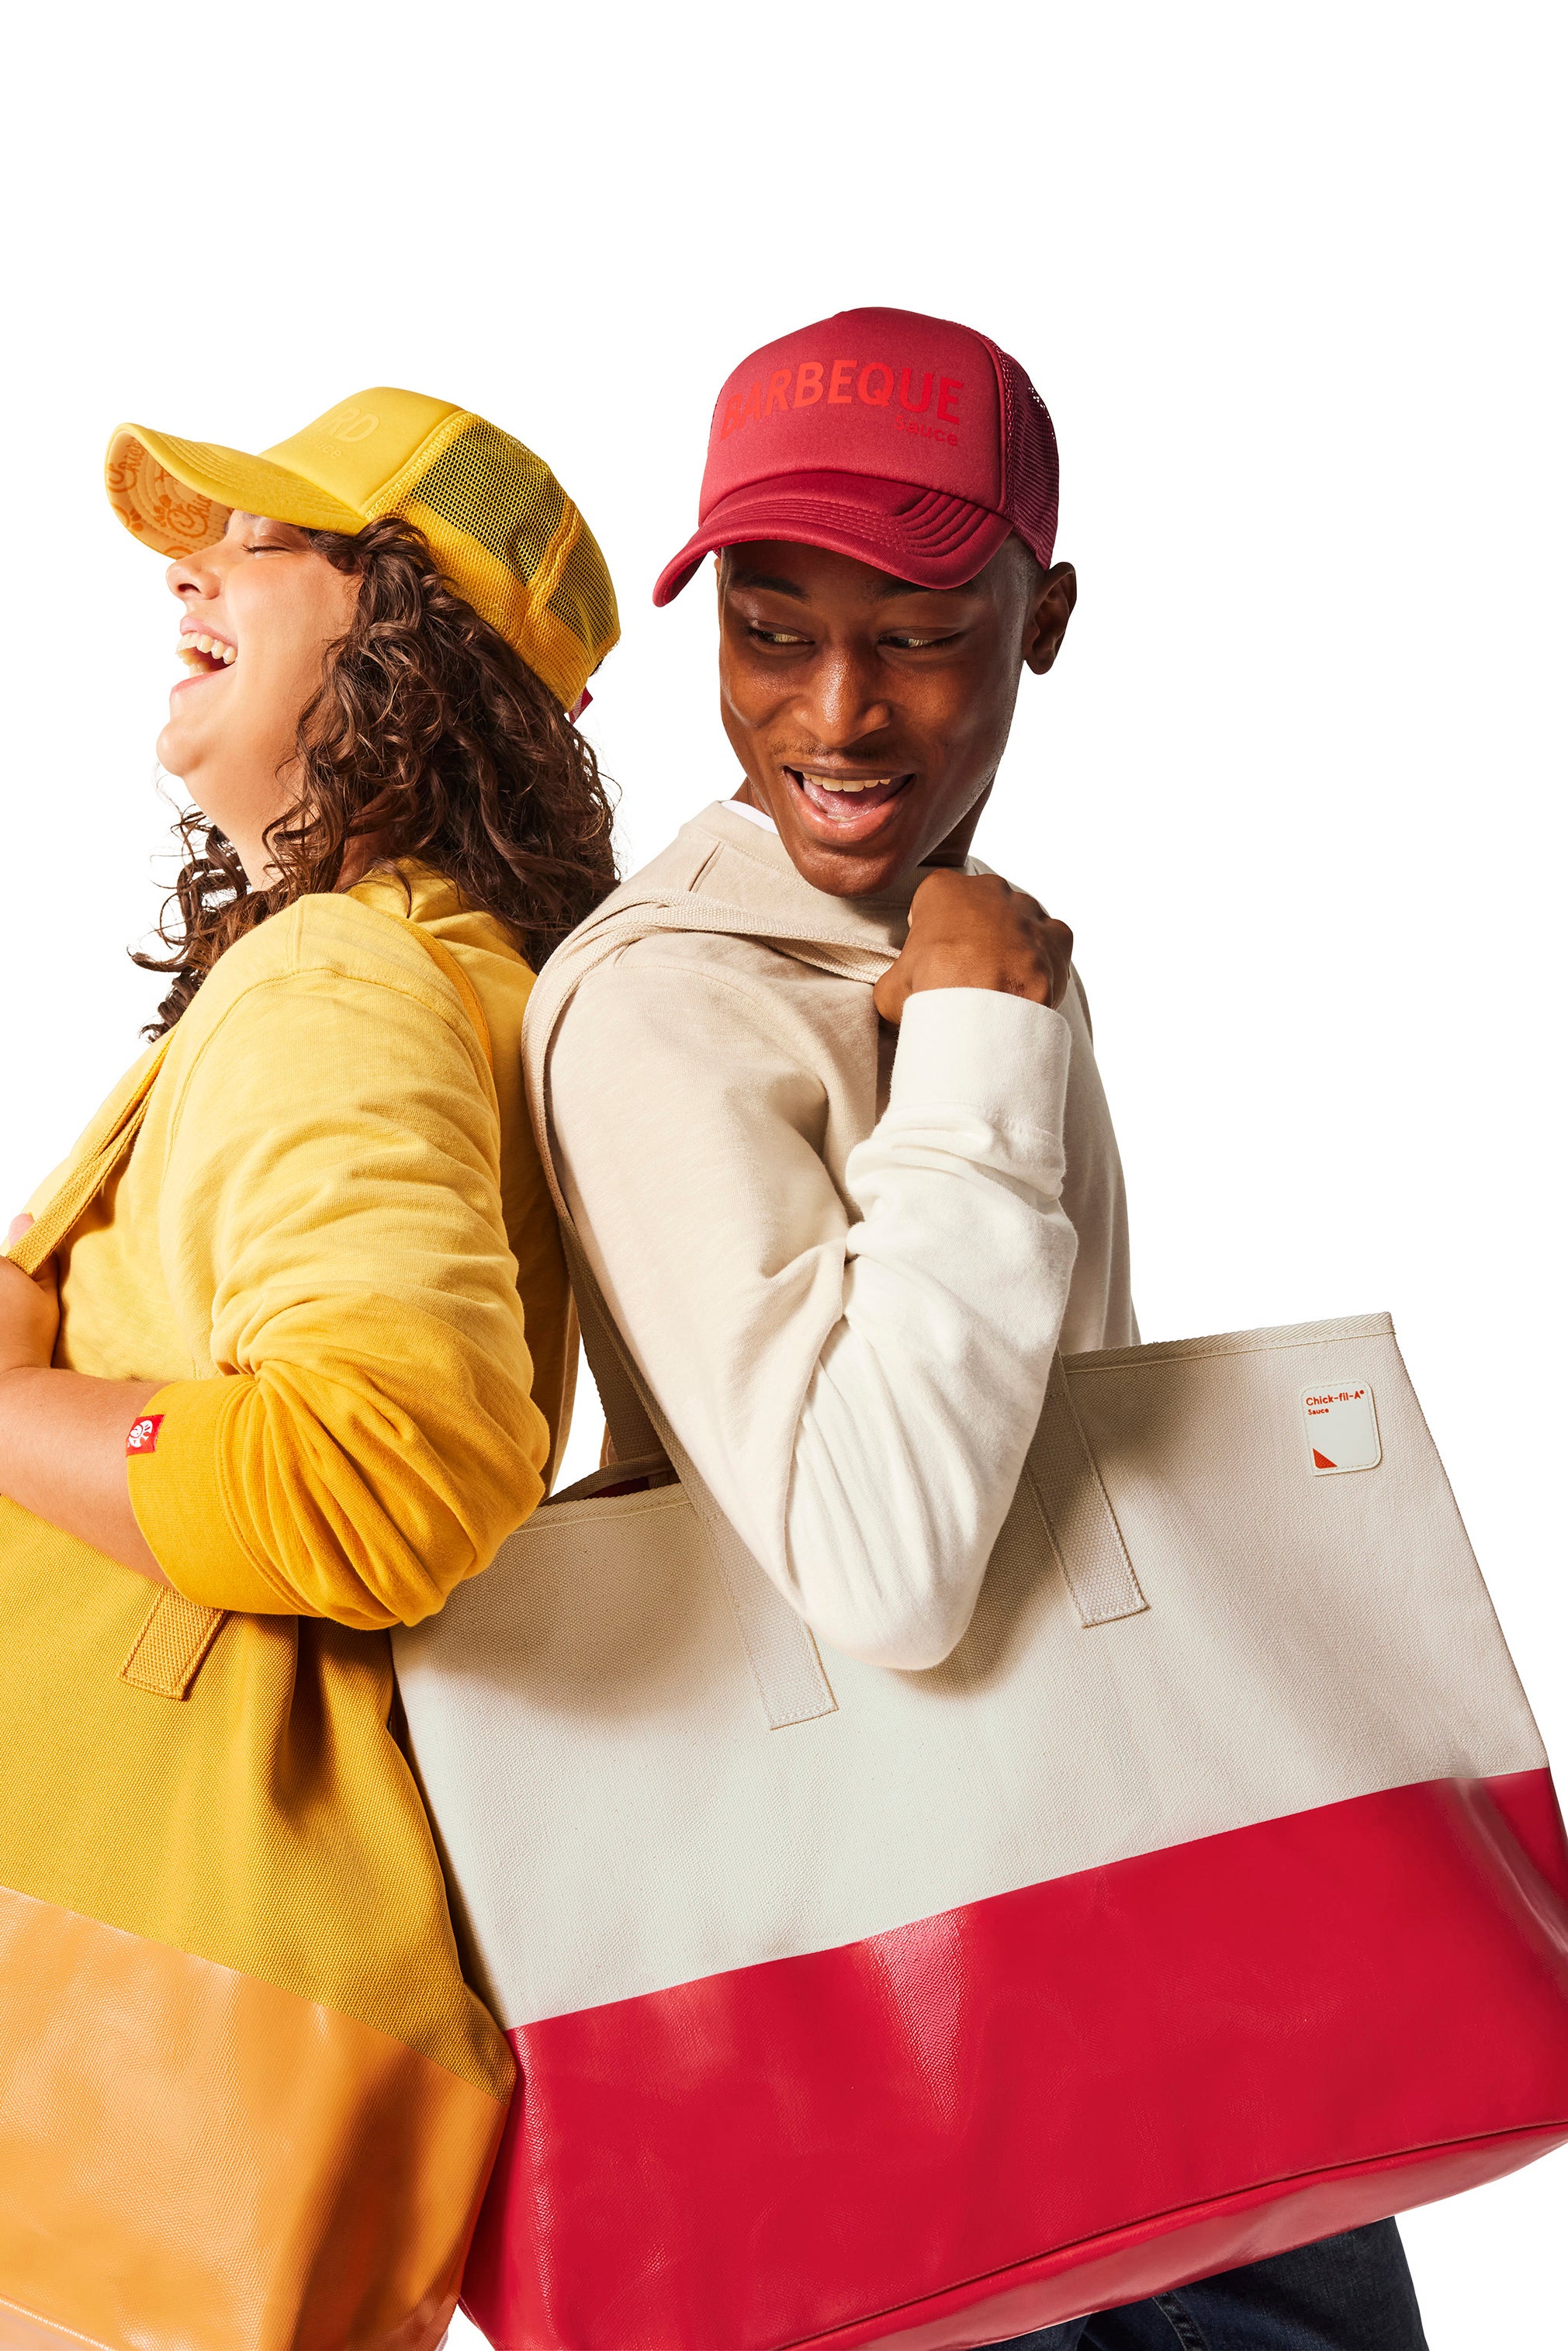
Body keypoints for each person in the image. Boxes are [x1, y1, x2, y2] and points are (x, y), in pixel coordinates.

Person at [542, 310, 1429, 2350]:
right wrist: (964, 1037)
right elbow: (877, 1564)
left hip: (1135, 1895)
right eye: (769, 630)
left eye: (922, 630)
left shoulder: (970, 931)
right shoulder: (675, 999)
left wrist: (972, 997)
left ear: (1044, 619)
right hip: (884, 1978)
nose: (833, 712)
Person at [0, 388, 618, 2342]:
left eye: (271, 541)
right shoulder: (444, 978)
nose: (196, 568)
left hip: (117, 2060)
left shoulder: (342, 980)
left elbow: (377, 1468)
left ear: (414, 649)